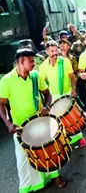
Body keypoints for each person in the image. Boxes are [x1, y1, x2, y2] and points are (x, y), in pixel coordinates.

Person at [0, 48, 67, 193]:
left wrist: (47, 106)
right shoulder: (6, 80)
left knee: (50, 150)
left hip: (41, 122)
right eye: (31, 61)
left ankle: (55, 176)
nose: (33, 64)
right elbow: (1, 104)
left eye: (34, 61)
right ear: (20, 62)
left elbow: (47, 93)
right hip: (20, 127)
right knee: (23, 161)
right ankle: (26, 188)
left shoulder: (35, 76)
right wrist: (8, 124)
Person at [39, 40, 86, 147]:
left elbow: (72, 77)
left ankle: (80, 138)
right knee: (59, 121)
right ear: (47, 52)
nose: (54, 53)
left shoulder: (65, 61)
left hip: (67, 94)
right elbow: (42, 85)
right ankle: (66, 139)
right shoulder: (43, 67)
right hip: (54, 97)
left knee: (72, 118)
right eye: (52, 51)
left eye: (56, 50)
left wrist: (74, 90)